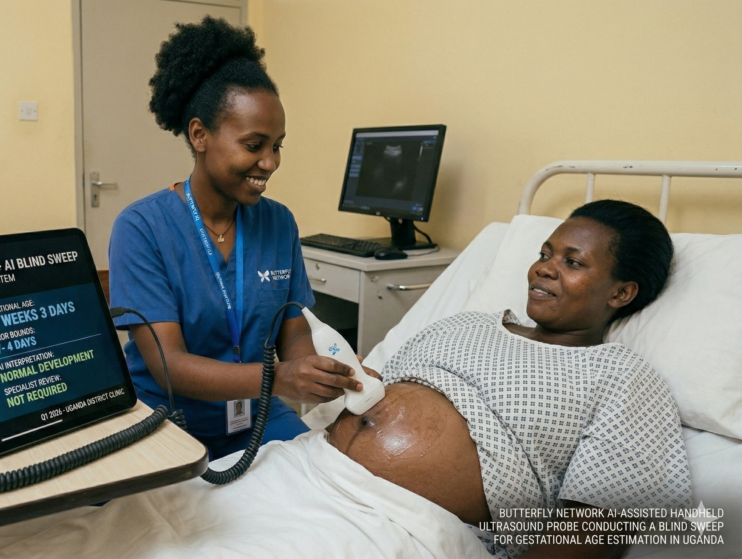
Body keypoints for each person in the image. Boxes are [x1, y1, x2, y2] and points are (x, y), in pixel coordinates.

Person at [328, 199, 692, 559]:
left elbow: (596, 527)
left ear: (621, 293)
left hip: (409, 527)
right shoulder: (466, 323)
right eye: (545, 254)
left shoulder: (622, 375)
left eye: (573, 262)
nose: (543, 269)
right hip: (317, 470)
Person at [108, 17, 365, 459]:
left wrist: (322, 369)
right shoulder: (141, 228)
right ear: (199, 135)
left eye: (277, 146)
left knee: (326, 470)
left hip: (256, 414)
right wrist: (280, 378)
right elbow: (169, 365)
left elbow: (293, 331)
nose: (270, 162)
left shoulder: (279, 223)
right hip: (167, 418)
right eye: (253, 145)